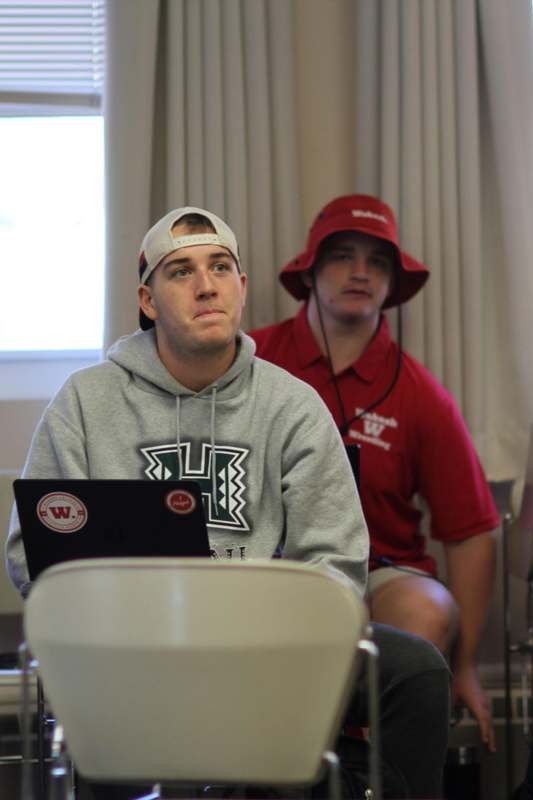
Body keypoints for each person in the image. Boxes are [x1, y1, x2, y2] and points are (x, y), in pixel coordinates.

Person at [6, 206, 450, 799]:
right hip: (131, 654)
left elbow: (336, 561)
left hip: (270, 652)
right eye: (181, 271)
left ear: (241, 289)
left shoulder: (293, 406)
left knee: (416, 671)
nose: (206, 285)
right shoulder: (85, 402)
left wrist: (273, 638)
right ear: (147, 300)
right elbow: (30, 554)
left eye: (220, 267)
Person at [250, 193, 500, 752]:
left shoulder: (419, 392)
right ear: (310, 272)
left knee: (425, 609)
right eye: (343, 256)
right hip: (266, 567)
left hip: (378, 572)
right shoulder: (251, 360)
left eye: (378, 261)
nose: (361, 272)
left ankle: (376, 774)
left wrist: (465, 667)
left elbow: (470, 533)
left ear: (392, 284)